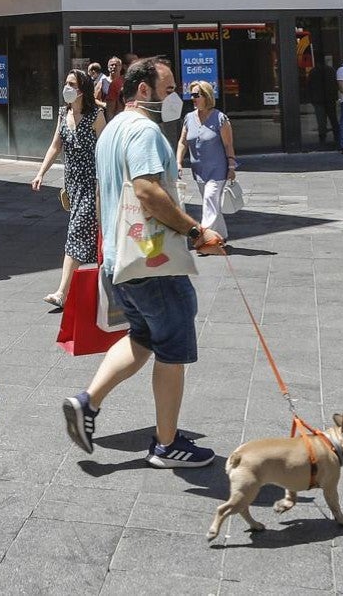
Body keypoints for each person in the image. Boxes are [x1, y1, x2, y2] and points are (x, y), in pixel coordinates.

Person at [60, 56, 223, 470]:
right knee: (173, 347)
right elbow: (148, 192)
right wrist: (195, 232)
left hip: (123, 258)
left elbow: (104, 195)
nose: (176, 98)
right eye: (169, 90)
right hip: (154, 260)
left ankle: (86, 403)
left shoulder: (112, 128)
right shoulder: (146, 131)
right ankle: (167, 445)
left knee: (144, 336)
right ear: (145, 91)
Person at [30, 69, 105, 308]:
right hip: (71, 183)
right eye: (66, 83)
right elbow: (55, 146)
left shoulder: (96, 115)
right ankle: (102, 285)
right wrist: (40, 173)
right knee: (88, 234)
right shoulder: (63, 114)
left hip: (92, 182)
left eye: (71, 84)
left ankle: (62, 292)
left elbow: (105, 149)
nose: (67, 88)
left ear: (82, 89)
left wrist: (104, 184)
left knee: (76, 231)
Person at [176, 80, 237, 250]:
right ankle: (221, 236)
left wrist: (231, 166)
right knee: (212, 204)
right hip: (199, 171)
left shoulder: (220, 118)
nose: (192, 98)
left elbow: (228, 145)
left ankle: (203, 237)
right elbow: (182, 142)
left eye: (196, 95)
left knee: (210, 199)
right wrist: (178, 162)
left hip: (218, 170)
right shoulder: (189, 118)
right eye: (191, 95)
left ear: (207, 96)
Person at [307, 57, 338, 147]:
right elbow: (335, 85)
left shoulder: (313, 72)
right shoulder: (331, 70)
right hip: (329, 99)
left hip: (318, 100)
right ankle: (337, 138)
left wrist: (311, 99)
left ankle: (322, 139)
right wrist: (334, 97)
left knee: (321, 121)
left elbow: (309, 86)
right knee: (333, 119)